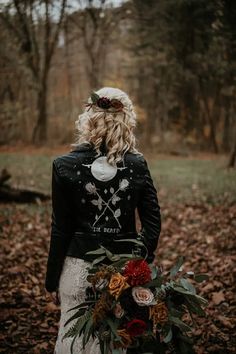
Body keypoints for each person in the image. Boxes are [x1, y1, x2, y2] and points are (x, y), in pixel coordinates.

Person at [45, 87, 161, 353]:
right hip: (122, 273)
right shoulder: (137, 164)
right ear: (126, 119)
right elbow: (153, 221)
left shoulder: (63, 165)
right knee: (116, 340)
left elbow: (61, 229)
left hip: (78, 272)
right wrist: (140, 264)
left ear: (88, 118)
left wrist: (51, 279)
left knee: (75, 339)